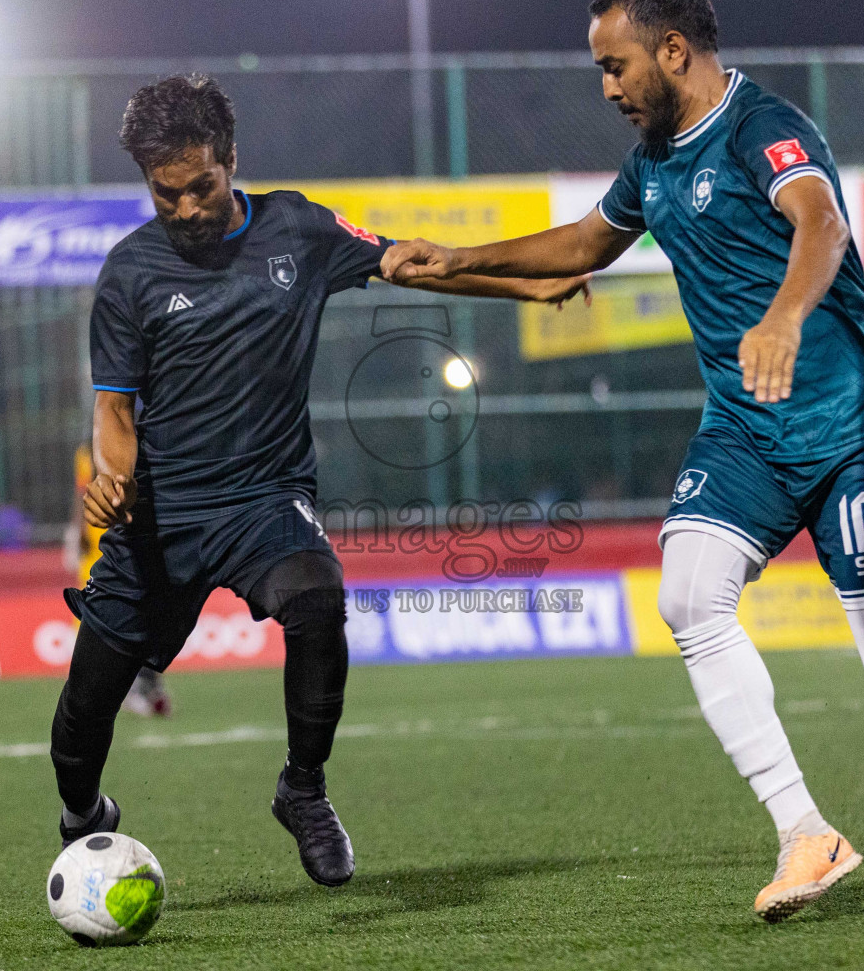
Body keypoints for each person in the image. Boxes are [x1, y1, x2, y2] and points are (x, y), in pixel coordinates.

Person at [382, 0, 864, 920]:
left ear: (673, 51)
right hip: (746, 429)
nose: (607, 87)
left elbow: (822, 224)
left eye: (614, 65)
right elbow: (586, 246)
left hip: (850, 428)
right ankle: (806, 833)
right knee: (687, 596)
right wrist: (455, 260)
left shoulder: (763, 127)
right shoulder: (654, 161)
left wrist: (787, 316)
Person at [51, 74, 588, 886]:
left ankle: (303, 790)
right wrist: (111, 478)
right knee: (83, 715)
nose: (188, 209)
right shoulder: (130, 274)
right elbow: (115, 413)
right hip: (159, 516)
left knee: (317, 599)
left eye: (202, 187)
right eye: (168, 196)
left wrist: (526, 283)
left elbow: (413, 265)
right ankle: (84, 815)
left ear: (232, 160)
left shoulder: (297, 228)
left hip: (266, 499)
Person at [67, 441, 172, 717]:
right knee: (101, 614)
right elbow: (82, 494)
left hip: (124, 538)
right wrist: (78, 529)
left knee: (140, 610)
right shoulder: (86, 453)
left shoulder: (133, 448)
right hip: (97, 541)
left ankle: (143, 684)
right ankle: (121, 686)